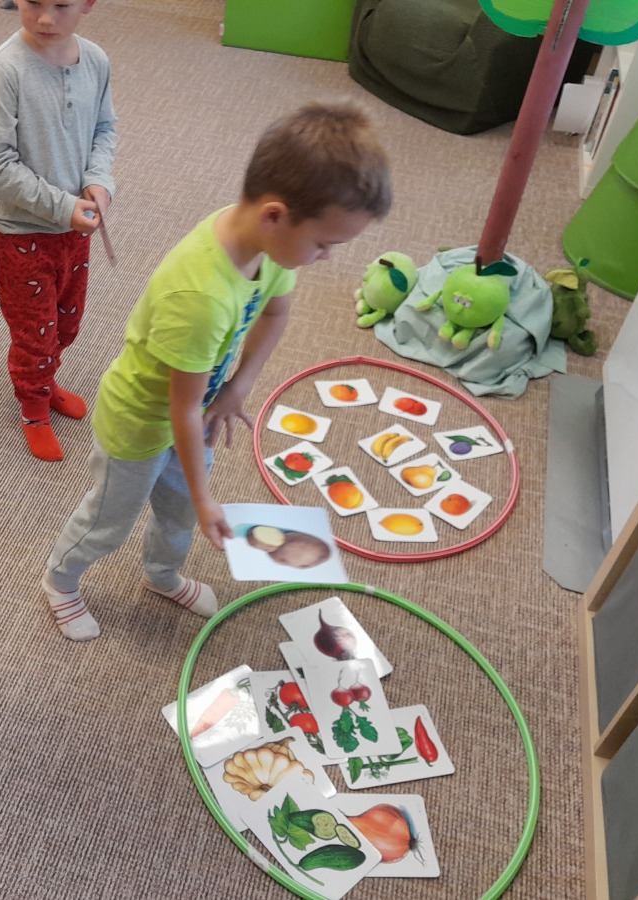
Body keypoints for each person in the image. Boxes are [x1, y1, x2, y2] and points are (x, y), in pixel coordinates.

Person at [40, 103, 392, 641]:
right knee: (110, 521)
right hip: (140, 423)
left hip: (195, 411)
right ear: (274, 215)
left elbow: (275, 313)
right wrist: (208, 497)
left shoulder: (267, 248)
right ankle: (60, 579)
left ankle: (161, 575)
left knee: (180, 513)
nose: (325, 257)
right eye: (324, 243)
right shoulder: (200, 297)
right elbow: (178, 407)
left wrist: (237, 388)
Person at [0, 0, 116, 462]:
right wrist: (63, 206)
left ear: (88, 4)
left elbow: (104, 129)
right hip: (21, 229)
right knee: (34, 329)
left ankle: (47, 380)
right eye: (34, 2)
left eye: (61, 5)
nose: (44, 18)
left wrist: (99, 181)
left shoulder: (95, 60)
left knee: (66, 318)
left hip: (75, 226)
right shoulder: (6, 69)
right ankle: (33, 407)